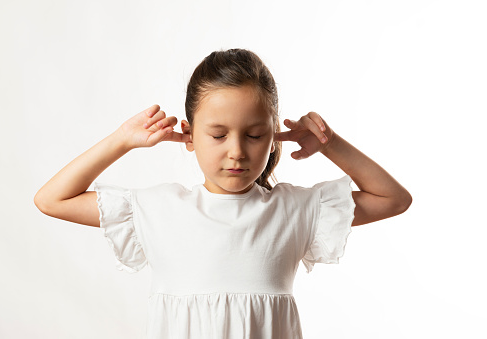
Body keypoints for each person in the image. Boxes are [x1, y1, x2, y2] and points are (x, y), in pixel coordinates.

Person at [34, 48, 412, 338]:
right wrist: (122, 140)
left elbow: (394, 199)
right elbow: (51, 200)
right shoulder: (158, 210)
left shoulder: (296, 209)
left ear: (273, 134)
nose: (237, 151)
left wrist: (329, 144)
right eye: (217, 135)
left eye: (254, 135)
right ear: (189, 135)